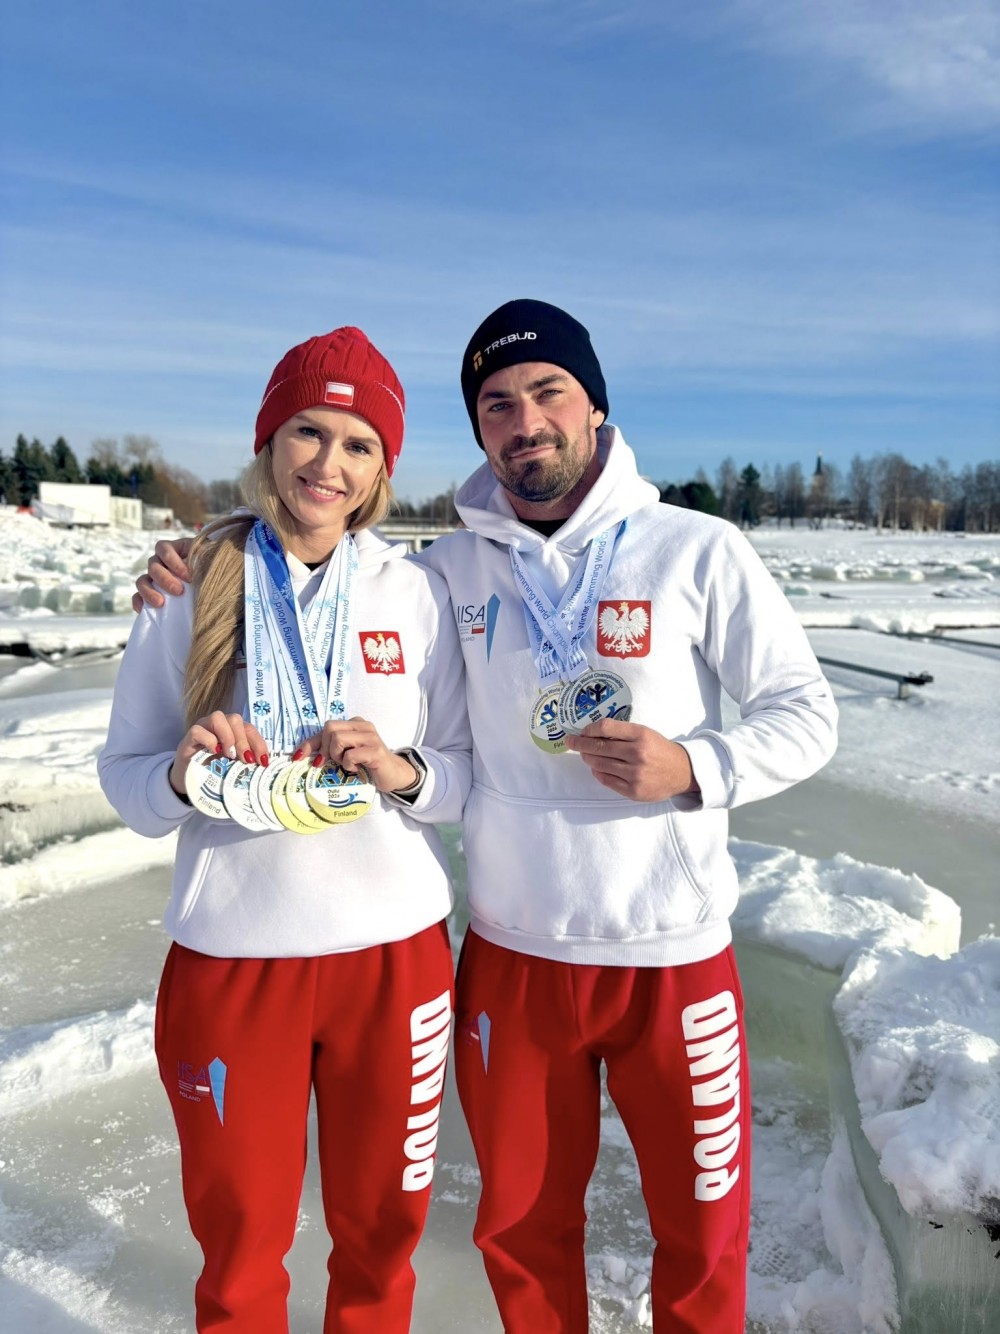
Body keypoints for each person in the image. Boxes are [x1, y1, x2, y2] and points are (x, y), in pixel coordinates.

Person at [136, 300, 838, 1333]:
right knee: (520, 1232)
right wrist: (197, 563)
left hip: (671, 954)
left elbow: (806, 713)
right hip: (514, 960)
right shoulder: (447, 572)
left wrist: (699, 765)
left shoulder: (698, 548)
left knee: (701, 1238)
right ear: (477, 429)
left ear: (595, 405)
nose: (525, 420)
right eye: (497, 404)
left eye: (548, 391)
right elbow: (345, 615)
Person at [104, 326, 471, 1334]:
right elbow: (127, 783)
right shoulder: (189, 584)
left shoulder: (416, 591)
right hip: (234, 964)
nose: (328, 463)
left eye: (358, 444)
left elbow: (463, 778)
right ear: (268, 440)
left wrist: (403, 771)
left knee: (381, 1238)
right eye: (308, 431)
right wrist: (182, 773)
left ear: (382, 469)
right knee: (239, 1252)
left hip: (392, 963)